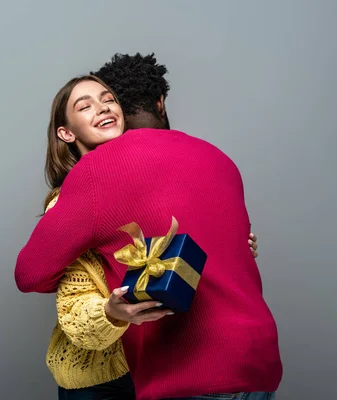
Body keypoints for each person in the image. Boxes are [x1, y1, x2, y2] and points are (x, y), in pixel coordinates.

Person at [16, 54, 282, 400]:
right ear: (160, 102)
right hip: (258, 358)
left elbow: (30, 274)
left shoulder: (103, 173)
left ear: (123, 110)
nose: (101, 108)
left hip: (185, 370)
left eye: (108, 99)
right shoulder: (218, 157)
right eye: (85, 105)